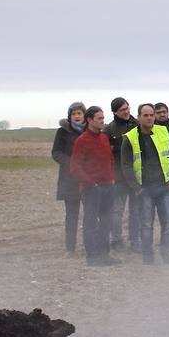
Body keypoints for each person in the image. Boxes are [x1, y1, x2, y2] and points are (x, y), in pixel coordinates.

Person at [118, 103, 169, 265]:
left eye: (151, 115)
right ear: (138, 117)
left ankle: (167, 254)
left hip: (166, 187)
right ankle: (148, 257)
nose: (149, 118)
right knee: (146, 225)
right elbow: (126, 165)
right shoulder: (130, 138)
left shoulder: (163, 132)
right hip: (144, 189)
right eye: (145, 115)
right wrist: (136, 188)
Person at [70, 105, 120, 266]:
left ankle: (104, 254)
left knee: (106, 221)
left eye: (103, 118)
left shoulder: (104, 138)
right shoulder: (82, 141)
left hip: (108, 187)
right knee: (91, 222)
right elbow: (75, 167)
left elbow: (110, 159)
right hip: (91, 189)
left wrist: (112, 177)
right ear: (89, 120)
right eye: (99, 119)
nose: (102, 122)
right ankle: (92, 257)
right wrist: (91, 182)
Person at [50, 101, 86, 256]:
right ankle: (70, 248)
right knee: (72, 215)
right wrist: (70, 163)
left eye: (79, 113)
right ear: (69, 115)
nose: (77, 116)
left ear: (84, 115)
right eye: (74, 113)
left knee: (91, 214)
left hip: (88, 178)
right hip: (69, 179)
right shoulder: (63, 132)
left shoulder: (91, 131)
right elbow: (56, 153)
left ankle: (90, 245)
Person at [106, 97, 139, 248]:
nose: (126, 112)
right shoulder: (109, 130)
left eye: (127, 108)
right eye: (122, 110)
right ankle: (116, 240)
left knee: (136, 211)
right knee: (117, 211)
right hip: (118, 178)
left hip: (136, 177)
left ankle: (135, 241)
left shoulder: (138, 125)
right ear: (115, 112)